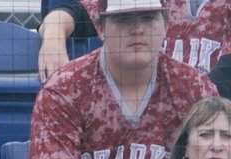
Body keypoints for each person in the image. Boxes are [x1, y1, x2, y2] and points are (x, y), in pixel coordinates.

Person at [27, 0, 217, 159]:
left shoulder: (193, 88)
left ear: (165, 25)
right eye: (124, 20)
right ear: (101, 28)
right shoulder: (66, 87)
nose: (137, 29)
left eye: (148, 18)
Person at [37, 0, 231, 95]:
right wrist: (53, 35)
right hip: (147, 108)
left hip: (214, 118)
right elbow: (77, 14)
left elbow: (225, 78)